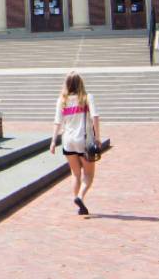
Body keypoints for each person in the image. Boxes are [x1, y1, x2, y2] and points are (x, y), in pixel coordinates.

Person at [49, 71, 100, 216]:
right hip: (84, 140)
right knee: (89, 174)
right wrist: (98, 137)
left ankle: (79, 204)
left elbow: (57, 122)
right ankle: (80, 197)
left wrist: (53, 141)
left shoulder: (62, 100)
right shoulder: (87, 98)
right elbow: (95, 117)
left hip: (68, 141)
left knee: (75, 173)